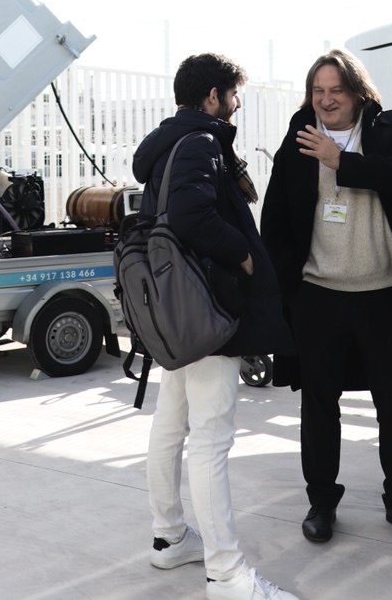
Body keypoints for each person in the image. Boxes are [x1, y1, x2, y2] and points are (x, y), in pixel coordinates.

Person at [132, 53, 298, 600]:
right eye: (232, 94)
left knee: (171, 424)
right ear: (212, 96)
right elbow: (191, 215)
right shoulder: (202, 143)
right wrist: (244, 259)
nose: (237, 104)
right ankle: (227, 576)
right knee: (210, 439)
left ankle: (169, 537)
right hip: (208, 311)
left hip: (177, 311)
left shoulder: (166, 145)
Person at [260, 49, 392, 548]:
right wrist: (286, 291)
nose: (325, 100)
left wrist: (343, 162)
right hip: (318, 296)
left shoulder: (390, 128)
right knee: (319, 406)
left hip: (385, 296)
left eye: (335, 90)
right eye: (318, 91)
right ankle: (321, 502)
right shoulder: (298, 135)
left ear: (357, 91)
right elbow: (274, 219)